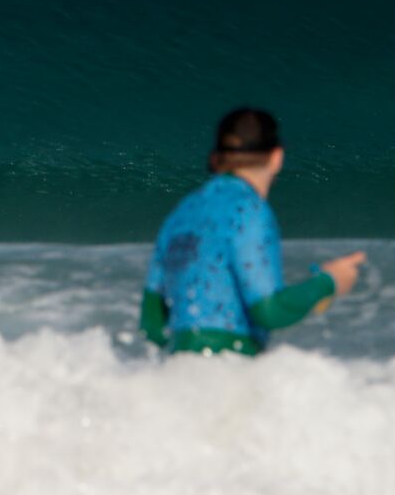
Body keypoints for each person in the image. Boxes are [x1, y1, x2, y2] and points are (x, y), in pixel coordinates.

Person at [140, 106, 365, 355]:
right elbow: (269, 311)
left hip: (178, 371)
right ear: (277, 157)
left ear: (216, 158)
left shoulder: (180, 213)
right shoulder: (249, 209)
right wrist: (329, 282)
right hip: (228, 370)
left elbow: (152, 326)